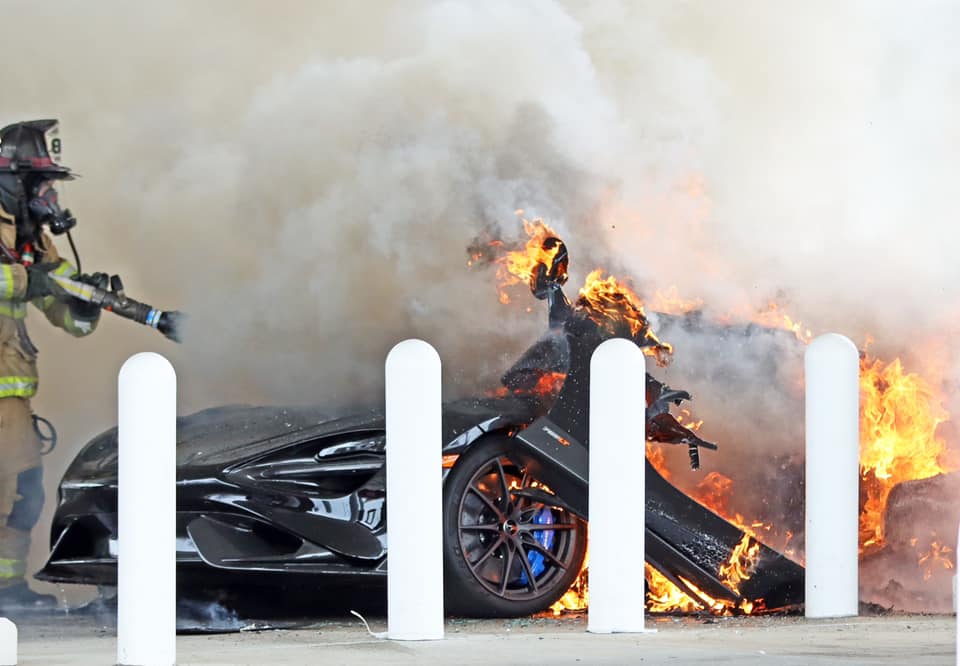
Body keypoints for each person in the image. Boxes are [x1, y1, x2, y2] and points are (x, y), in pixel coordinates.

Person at [0, 120, 103, 608]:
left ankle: (7, 589)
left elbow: (63, 305)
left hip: (11, 396)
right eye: (41, 184)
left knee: (23, 492)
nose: (49, 195)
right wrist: (27, 281)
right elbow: (23, 284)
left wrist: (87, 305)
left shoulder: (32, 238)